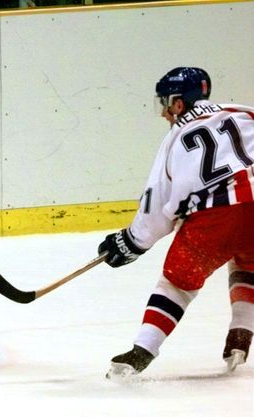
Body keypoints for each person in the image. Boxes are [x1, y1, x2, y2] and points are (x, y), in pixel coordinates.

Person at [98, 67, 254, 377]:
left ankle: (142, 350)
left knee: (177, 282)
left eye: (165, 104)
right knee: (248, 262)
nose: (164, 114)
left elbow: (158, 203)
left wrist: (132, 241)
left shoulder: (176, 137)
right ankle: (241, 334)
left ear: (179, 103)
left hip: (217, 217)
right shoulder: (244, 111)